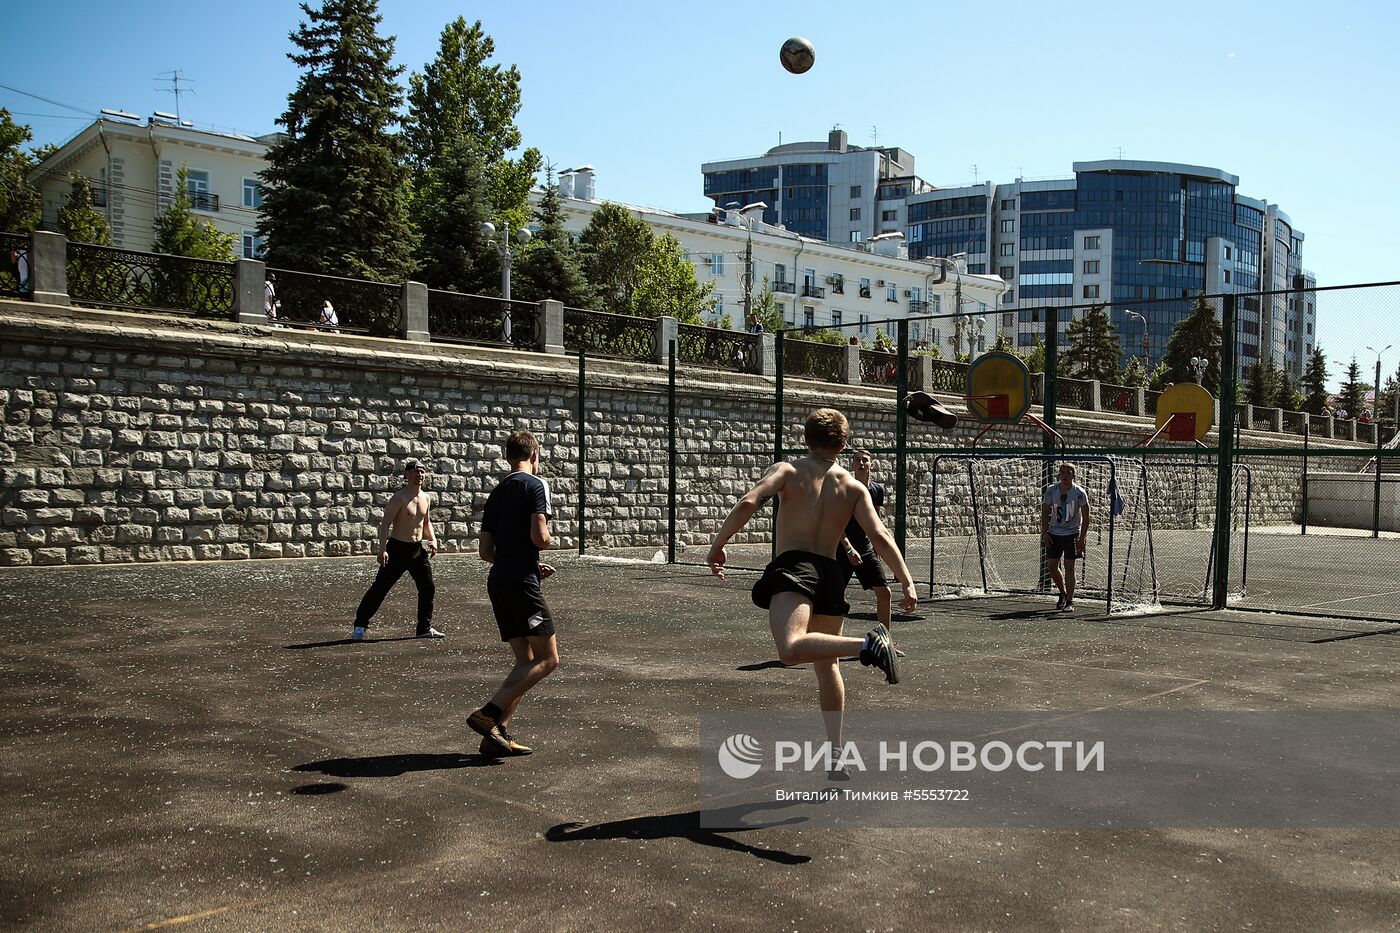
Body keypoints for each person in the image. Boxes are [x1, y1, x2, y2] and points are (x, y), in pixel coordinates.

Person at [708, 409, 915, 764]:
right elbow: (878, 535)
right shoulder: (853, 487)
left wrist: (718, 544)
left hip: (796, 567)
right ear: (844, 443)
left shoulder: (787, 470)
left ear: (806, 440)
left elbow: (749, 501)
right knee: (826, 665)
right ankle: (836, 756)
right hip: (830, 573)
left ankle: (870, 645)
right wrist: (906, 580)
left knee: (790, 649)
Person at [468, 430, 558, 757]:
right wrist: (544, 544)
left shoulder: (496, 492)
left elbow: (485, 551)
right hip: (521, 582)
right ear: (534, 455)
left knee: (526, 661)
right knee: (549, 660)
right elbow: (539, 537)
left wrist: (523, 564)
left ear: (508, 456)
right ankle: (487, 714)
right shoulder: (536, 485)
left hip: (500, 579)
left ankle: (495, 734)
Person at [351, 460, 443, 640]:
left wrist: (432, 539)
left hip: (416, 550)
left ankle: (424, 627)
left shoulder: (426, 498)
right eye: (416, 471)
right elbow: (385, 524)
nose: (420, 475)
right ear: (407, 475)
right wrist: (382, 549)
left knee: (427, 588)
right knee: (380, 588)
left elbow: (426, 522)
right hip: (397, 549)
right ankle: (360, 625)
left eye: (422, 472)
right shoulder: (399, 498)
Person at [836, 449, 901, 656]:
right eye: (857, 460)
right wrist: (848, 548)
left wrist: (878, 543)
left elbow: (876, 520)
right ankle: (828, 645)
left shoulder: (876, 490)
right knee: (834, 597)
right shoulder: (845, 488)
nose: (862, 463)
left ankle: (885, 644)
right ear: (852, 465)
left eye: (865, 460)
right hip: (843, 548)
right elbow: (836, 522)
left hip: (864, 548)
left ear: (872, 464)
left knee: (884, 592)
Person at [1041, 463, 1090, 613]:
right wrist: (1045, 532)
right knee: (1051, 566)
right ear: (1058, 475)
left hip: (1072, 534)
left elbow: (1087, 517)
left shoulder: (1079, 492)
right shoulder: (1051, 490)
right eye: (1062, 473)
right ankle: (1062, 592)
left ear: (1073, 476)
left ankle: (1070, 600)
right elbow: (1044, 512)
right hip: (1055, 533)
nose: (1065, 476)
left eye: (1068, 473)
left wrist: (1081, 539)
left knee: (1069, 567)